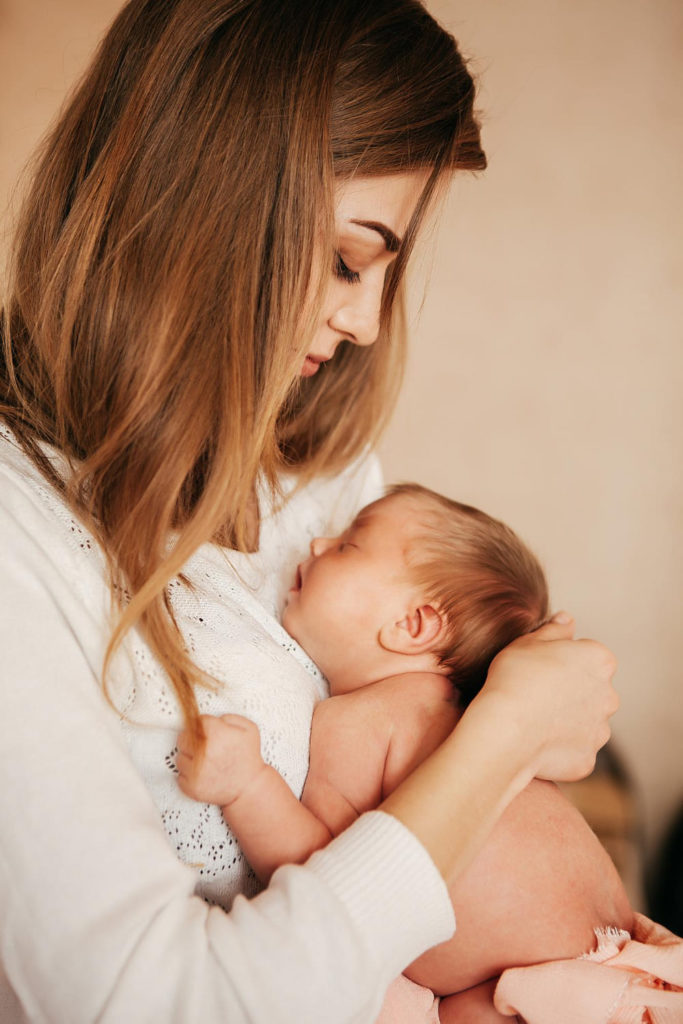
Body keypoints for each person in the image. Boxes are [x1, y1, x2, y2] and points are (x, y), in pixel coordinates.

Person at [0, 1, 618, 1021]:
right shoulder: (24, 531)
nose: (366, 322)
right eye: (343, 257)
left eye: (384, 272)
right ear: (201, 193)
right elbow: (161, 1004)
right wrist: (504, 734)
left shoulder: (317, 477)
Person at [177, 483, 634, 1021]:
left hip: (532, 990)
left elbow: (321, 872)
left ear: (413, 625)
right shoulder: (458, 715)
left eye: (349, 546)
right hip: (624, 964)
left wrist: (246, 784)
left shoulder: (361, 718)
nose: (319, 544)